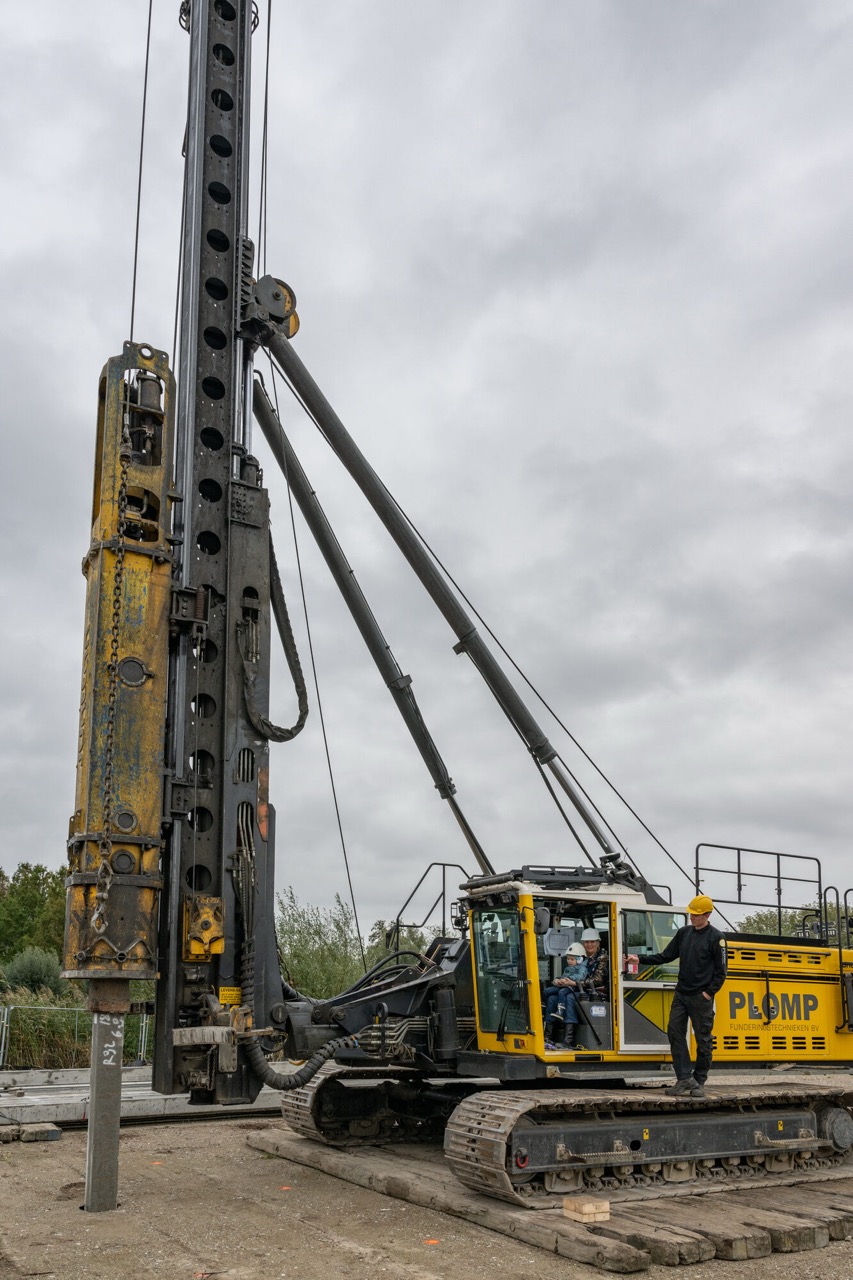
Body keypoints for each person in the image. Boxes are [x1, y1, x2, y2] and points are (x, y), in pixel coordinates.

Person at [636, 894, 726, 1098]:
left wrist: (707, 993)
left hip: (700, 997)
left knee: (703, 1039)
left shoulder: (716, 937)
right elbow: (665, 956)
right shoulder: (684, 933)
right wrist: (639, 958)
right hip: (681, 994)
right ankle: (684, 1078)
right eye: (691, 914)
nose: (691, 917)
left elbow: (722, 972)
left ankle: (699, 1080)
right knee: (674, 1033)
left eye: (695, 915)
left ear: (707, 915)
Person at [544, 942, 589, 1047]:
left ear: (580, 959)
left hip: (577, 990)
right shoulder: (568, 968)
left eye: (572, 959)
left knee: (568, 997)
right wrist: (558, 980)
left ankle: (568, 1040)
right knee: (550, 997)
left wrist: (570, 982)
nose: (569, 961)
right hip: (565, 987)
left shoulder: (583, 968)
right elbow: (564, 976)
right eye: (568, 959)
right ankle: (548, 1037)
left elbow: (583, 978)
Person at [580, 927, 609, 999]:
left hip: (596, 992)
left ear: (598, 943)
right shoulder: (581, 958)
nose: (589, 945)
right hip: (581, 989)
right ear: (583, 943)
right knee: (552, 997)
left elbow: (597, 980)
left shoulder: (603, 958)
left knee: (570, 997)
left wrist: (575, 983)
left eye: (592, 942)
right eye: (586, 942)